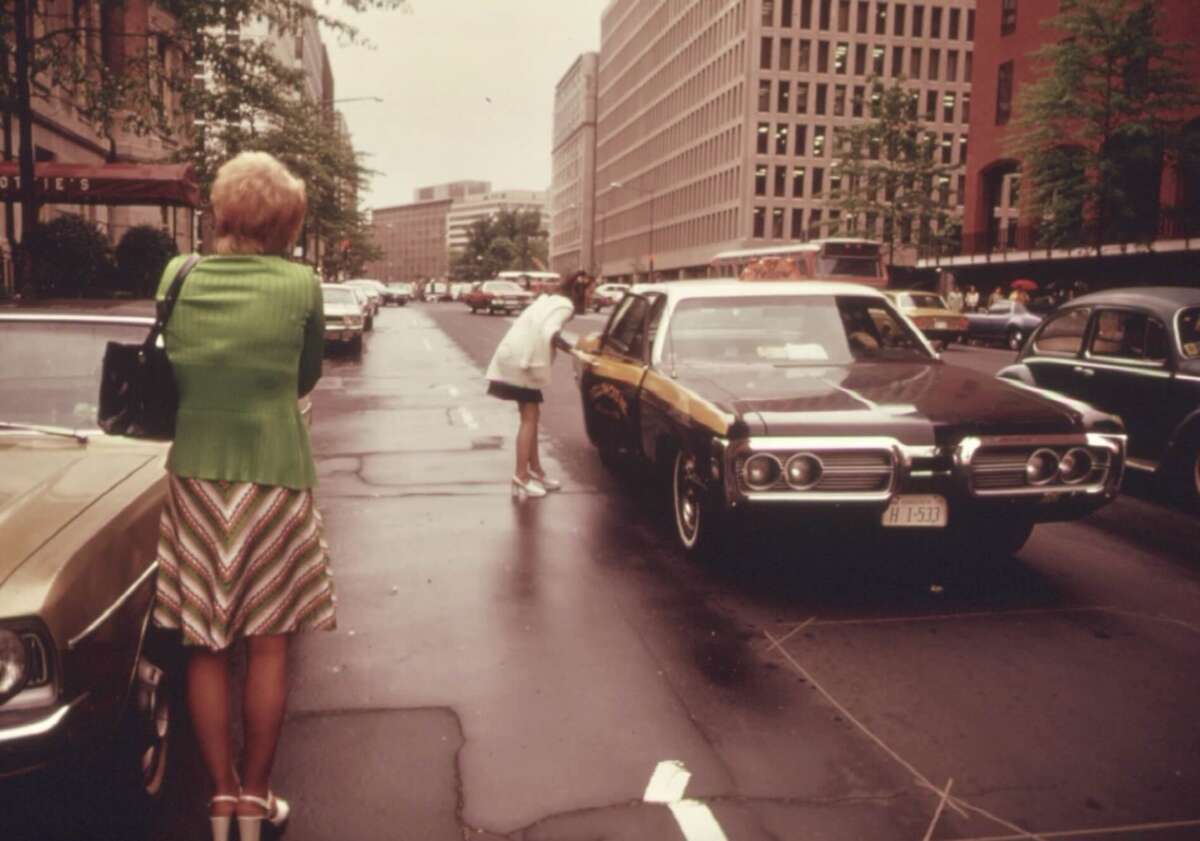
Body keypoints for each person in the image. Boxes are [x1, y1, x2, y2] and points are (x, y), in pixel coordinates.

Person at [152, 151, 335, 841]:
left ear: (221, 210)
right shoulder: (302, 284)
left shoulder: (178, 274)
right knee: (267, 644)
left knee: (204, 642)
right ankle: (257, 801)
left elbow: (173, 361)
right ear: (287, 222)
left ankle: (220, 800)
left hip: (197, 476)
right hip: (276, 475)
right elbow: (306, 374)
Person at [486, 270, 587, 498]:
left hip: (515, 356)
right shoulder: (564, 307)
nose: (591, 297)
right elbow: (549, 331)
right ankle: (520, 476)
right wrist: (573, 351)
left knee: (531, 415)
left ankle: (536, 471)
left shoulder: (551, 300)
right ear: (579, 293)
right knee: (529, 418)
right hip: (522, 361)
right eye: (589, 293)